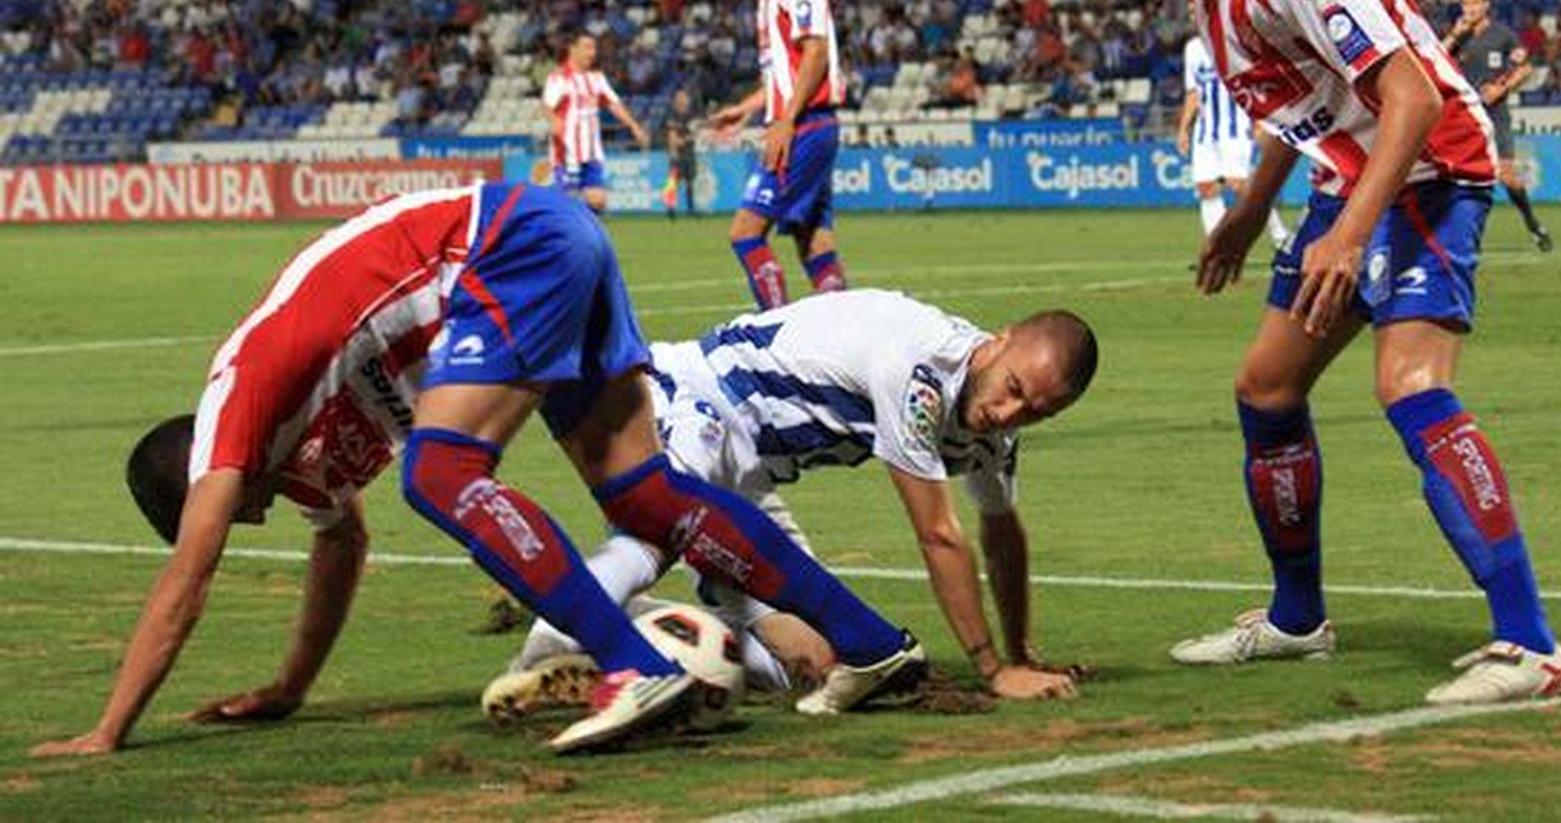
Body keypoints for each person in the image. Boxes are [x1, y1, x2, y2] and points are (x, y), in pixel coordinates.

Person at [30, 183, 923, 760]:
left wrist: (108, 731)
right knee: (645, 495)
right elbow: (340, 543)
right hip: (558, 238)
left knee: (440, 473)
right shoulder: (296, 446)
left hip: (511, 244)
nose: (249, 519)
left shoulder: (240, 392)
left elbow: (188, 577)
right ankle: (873, 643)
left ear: (201, 476)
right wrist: (290, 689)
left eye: (231, 508)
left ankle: (627, 664)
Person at [1087, 0, 1561, 704]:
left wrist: (1348, 236)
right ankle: (1298, 619)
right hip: (1349, 176)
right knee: (1266, 389)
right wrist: (1248, 208)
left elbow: (1414, 97)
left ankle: (1532, 647)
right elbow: (1301, 96)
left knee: (1411, 386)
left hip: (1428, 170)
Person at [484, 290, 1098, 717]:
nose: (1009, 413)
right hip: (698, 395)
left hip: (746, 468)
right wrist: (994, 670)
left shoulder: (994, 433)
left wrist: (1023, 652)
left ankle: (635, 618)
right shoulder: (920, 371)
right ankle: (547, 646)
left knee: (809, 662)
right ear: (1000, 341)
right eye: (1014, 389)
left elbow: (1002, 533)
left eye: (1036, 412)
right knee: (661, 526)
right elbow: (940, 533)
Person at [708, 0, 847, 311]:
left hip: (804, 126)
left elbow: (816, 53)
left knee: (746, 233)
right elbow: (783, 75)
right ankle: (845, 334)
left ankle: (778, 331)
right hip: (805, 123)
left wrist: (784, 121)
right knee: (813, 242)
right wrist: (748, 107)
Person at [1439, 0, 1552, 252]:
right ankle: (1459, 237)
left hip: (1495, 113)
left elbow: (1525, 68)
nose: (1470, 8)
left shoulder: (1502, 34)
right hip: (1464, 116)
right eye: (1466, 3)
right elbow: (1436, 61)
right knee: (1457, 178)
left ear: (1486, 4)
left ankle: (1533, 224)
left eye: (1475, 3)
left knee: (1508, 175)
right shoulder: (1458, 36)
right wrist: (1455, 34)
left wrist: (1501, 87)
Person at [1176, 32, 1291, 247]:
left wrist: (1259, 120)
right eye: (1192, 11)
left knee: (1240, 186)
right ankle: (1216, 244)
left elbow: (1253, 83)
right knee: (1206, 187)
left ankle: (1280, 236)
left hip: (1235, 128)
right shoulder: (1192, 48)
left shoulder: (1231, 38)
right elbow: (1193, 92)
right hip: (1205, 132)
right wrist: (1184, 128)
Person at [543, 32, 650, 215]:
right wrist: (554, 121)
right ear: (573, 49)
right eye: (587, 47)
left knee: (598, 201)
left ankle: (582, 237)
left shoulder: (597, 78)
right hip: (567, 151)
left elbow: (613, 104)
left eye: (594, 48)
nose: (592, 53)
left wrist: (634, 126)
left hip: (592, 151)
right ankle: (560, 236)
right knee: (567, 203)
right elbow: (547, 105)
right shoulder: (559, 77)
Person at [663, 89, 700, 220]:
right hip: (676, 154)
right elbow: (671, 135)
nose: (682, 100)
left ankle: (691, 209)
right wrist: (674, 148)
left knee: (690, 181)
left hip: (689, 153)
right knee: (673, 182)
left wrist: (685, 140)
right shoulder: (671, 115)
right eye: (679, 98)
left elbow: (695, 132)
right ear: (675, 101)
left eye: (684, 98)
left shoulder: (692, 116)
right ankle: (671, 209)